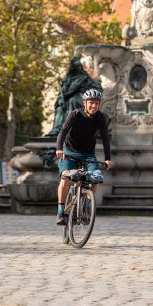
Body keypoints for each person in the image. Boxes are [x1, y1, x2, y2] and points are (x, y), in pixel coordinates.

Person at [55, 88, 112, 225]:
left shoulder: (101, 118)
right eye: (91, 102)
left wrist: (108, 158)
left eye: (97, 103)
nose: (94, 106)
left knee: (96, 178)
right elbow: (63, 132)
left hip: (88, 154)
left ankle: (86, 205)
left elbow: (105, 138)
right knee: (65, 178)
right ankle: (61, 211)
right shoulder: (74, 115)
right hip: (69, 152)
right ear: (85, 103)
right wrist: (59, 149)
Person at [47, 56, 103, 137]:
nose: (77, 68)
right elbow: (62, 92)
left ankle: (72, 127)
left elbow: (97, 88)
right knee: (59, 108)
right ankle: (57, 128)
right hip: (67, 99)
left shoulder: (84, 77)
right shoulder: (67, 78)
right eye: (75, 66)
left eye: (78, 66)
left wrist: (88, 93)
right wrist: (60, 99)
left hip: (82, 97)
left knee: (73, 100)